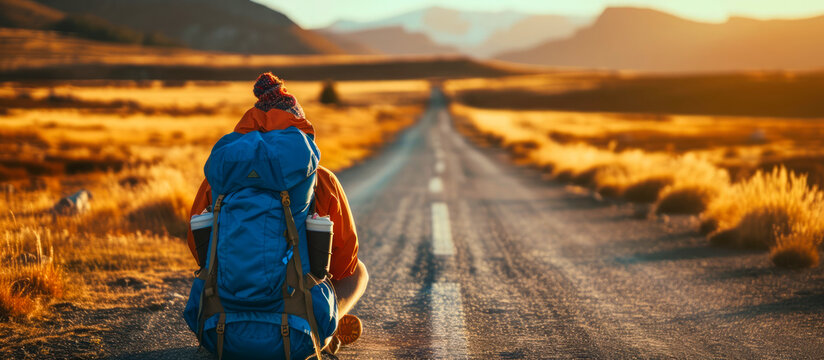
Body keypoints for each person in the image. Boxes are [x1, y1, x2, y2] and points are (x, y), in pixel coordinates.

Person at [186, 72, 369, 354]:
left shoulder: (218, 180)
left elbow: (200, 251)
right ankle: (329, 331)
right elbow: (344, 264)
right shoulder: (320, 180)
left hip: (219, 329)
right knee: (358, 272)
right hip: (296, 333)